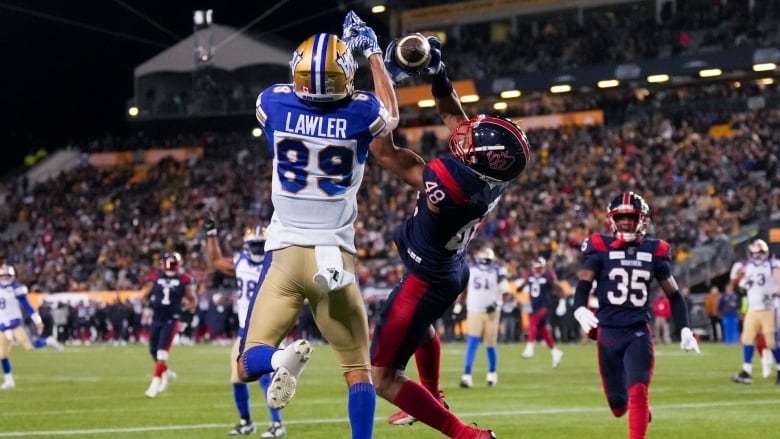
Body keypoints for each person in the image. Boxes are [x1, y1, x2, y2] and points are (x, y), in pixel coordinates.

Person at [236, 12, 426, 439]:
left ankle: (281, 359)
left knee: (249, 361)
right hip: (334, 258)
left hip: (284, 252)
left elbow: (307, 100)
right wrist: (374, 53)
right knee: (359, 373)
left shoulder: (273, 102)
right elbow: (389, 116)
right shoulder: (362, 112)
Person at [373, 34, 531, 439]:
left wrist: (384, 71)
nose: (464, 134)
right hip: (448, 270)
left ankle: (464, 434)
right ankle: (433, 396)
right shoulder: (492, 178)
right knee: (421, 329)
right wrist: (438, 74)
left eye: (471, 142)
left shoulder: (452, 181)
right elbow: (453, 116)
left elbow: (385, 151)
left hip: (427, 279)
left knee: (383, 378)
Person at [572, 191, 700, 439]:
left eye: (632, 217)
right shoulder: (600, 248)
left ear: (642, 220)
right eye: (622, 218)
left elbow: (673, 294)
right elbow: (584, 282)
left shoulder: (654, 251)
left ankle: (638, 420)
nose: (627, 223)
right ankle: (638, 411)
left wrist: (685, 328)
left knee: (639, 390)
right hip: (607, 334)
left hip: (637, 331)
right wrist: (578, 306)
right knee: (619, 406)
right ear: (612, 220)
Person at [205, 222, 287, 437]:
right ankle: (246, 422)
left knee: (265, 378)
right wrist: (211, 234)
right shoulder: (240, 262)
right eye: (255, 245)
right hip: (244, 330)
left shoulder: (276, 263)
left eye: (261, 245)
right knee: (237, 378)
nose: (258, 250)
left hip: (267, 328)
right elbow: (214, 261)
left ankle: (277, 425)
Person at [140, 252, 197, 398]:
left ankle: (155, 383)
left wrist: (186, 312)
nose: (170, 267)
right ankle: (167, 373)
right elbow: (146, 294)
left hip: (171, 319)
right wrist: (146, 301)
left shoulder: (184, 279)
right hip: (157, 317)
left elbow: (192, 300)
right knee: (153, 350)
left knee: (162, 353)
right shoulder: (156, 277)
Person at [0, 263, 63, 389]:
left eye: (8, 276)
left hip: (16, 324)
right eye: (3, 276)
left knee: (31, 346)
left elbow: (27, 305)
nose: (5, 278)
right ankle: (9, 380)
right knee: (2, 355)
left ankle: (49, 341)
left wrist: (37, 319)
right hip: (2, 326)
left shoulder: (16, 289)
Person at [454, 247, 509, 388]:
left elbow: (506, 292)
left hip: (492, 313)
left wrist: (497, 302)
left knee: (490, 344)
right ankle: (467, 375)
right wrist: (459, 305)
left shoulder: (497, 271)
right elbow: (465, 289)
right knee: (472, 343)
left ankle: (491, 373)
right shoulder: (472, 270)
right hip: (474, 311)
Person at [729, 239, 780, 384]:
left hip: (768, 309)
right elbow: (744, 282)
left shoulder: (773, 265)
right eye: (754, 254)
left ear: (765, 253)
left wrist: (772, 294)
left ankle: (779, 369)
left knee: (771, 342)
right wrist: (743, 283)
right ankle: (746, 371)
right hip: (752, 308)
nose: (756, 256)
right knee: (747, 338)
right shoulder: (748, 267)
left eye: (759, 253)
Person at [515, 256, 565, 367]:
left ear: (544, 268)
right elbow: (519, 289)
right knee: (543, 330)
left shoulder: (549, 276)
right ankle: (555, 352)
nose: (538, 270)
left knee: (532, 321)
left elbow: (560, 289)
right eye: (536, 268)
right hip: (534, 305)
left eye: (540, 268)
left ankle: (529, 347)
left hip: (545, 305)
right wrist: (524, 283)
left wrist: (562, 302)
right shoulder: (529, 275)